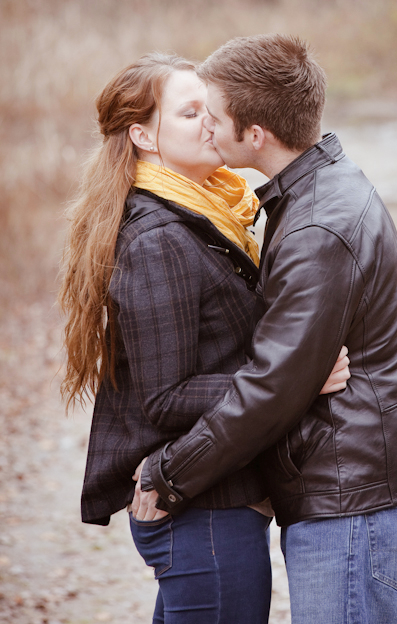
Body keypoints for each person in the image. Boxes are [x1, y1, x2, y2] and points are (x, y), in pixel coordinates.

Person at [135, 34, 397, 624]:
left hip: (352, 506)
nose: (208, 130)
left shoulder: (316, 226)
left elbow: (272, 388)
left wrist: (169, 475)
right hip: (361, 499)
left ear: (256, 135)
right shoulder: (314, 195)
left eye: (216, 118)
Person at [58, 52, 349, 624]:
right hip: (202, 515)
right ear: (143, 135)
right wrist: (295, 381)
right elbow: (164, 397)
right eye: (191, 113)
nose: (210, 123)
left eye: (210, 109)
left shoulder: (213, 212)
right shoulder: (157, 238)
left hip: (216, 502)